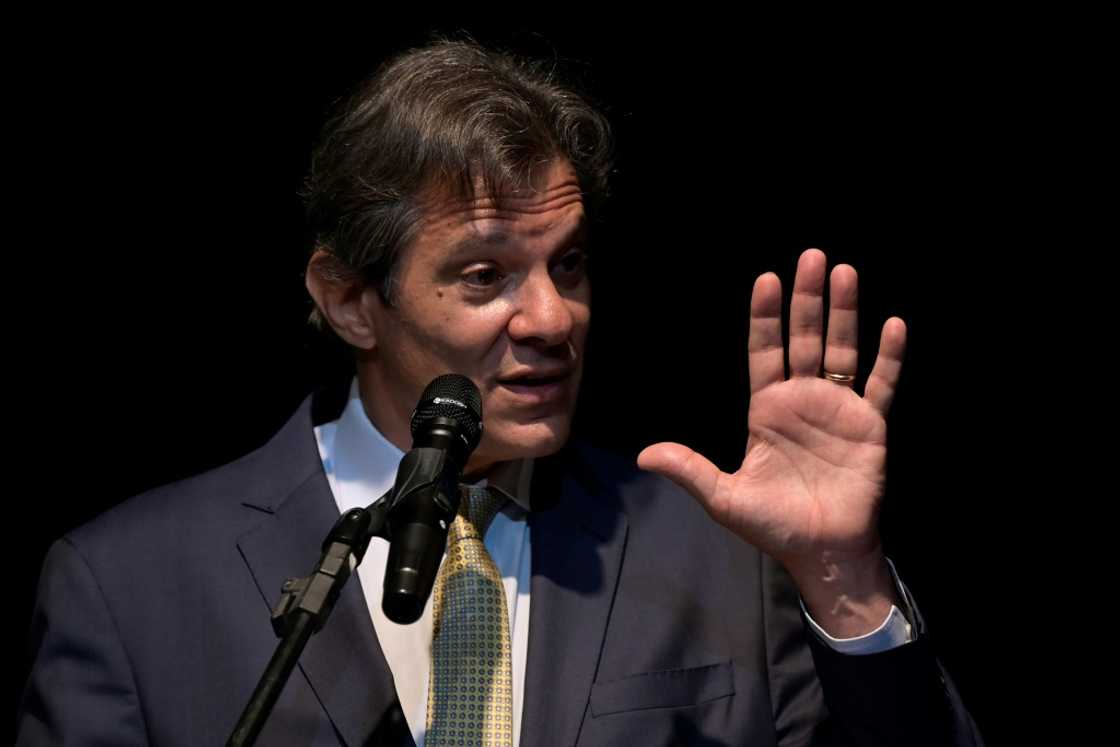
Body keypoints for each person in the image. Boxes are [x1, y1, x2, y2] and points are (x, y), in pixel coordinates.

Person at [18, 39, 985, 746]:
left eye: (568, 265)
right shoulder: (128, 587)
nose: (554, 318)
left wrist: (843, 581)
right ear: (350, 299)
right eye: (485, 277)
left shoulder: (725, 556)